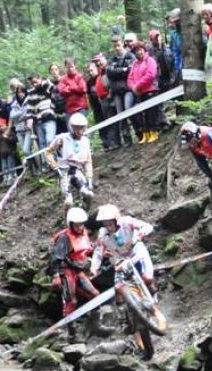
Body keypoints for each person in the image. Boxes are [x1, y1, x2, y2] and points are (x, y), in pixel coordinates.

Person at [51, 207, 100, 341]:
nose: (79, 228)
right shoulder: (64, 238)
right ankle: (72, 334)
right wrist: (56, 276)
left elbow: (86, 250)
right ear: (71, 224)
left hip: (78, 269)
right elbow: (56, 258)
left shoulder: (84, 233)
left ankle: (96, 325)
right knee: (70, 301)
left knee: (95, 295)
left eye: (81, 224)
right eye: (76, 225)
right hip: (66, 270)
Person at [90, 204, 158, 296]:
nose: (108, 228)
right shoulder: (103, 234)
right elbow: (98, 252)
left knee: (148, 279)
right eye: (105, 225)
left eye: (110, 224)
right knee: (120, 289)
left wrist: (136, 238)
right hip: (122, 261)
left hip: (137, 253)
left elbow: (148, 227)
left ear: (116, 220)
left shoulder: (127, 222)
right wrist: (94, 269)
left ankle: (153, 291)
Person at [45, 112, 94, 209]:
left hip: (77, 171)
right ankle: (67, 217)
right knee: (69, 202)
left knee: (88, 194)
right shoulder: (62, 138)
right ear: (71, 127)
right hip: (64, 171)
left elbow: (88, 161)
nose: (80, 131)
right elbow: (48, 151)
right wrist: (55, 166)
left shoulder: (85, 141)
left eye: (82, 128)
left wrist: (89, 177)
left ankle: (84, 210)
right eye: (77, 128)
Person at [106, 36, 137, 147]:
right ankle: (127, 138)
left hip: (128, 88)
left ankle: (138, 132)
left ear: (122, 43)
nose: (117, 48)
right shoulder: (112, 59)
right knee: (120, 115)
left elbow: (131, 70)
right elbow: (109, 72)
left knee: (129, 110)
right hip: (116, 91)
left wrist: (118, 71)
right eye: (114, 46)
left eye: (118, 45)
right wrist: (123, 70)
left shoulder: (130, 56)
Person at [127, 41, 159, 144]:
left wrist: (138, 86)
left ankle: (154, 132)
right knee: (142, 114)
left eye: (140, 50)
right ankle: (146, 133)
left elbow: (150, 75)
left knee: (151, 112)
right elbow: (129, 78)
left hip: (150, 90)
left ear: (144, 50)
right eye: (136, 51)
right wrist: (133, 88)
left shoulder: (150, 60)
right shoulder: (134, 64)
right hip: (139, 93)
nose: (139, 52)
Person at [9, 85, 38, 172]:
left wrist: (19, 116)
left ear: (25, 92)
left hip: (28, 129)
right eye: (18, 92)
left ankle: (36, 168)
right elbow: (12, 116)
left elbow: (30, 113)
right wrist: (23, 113)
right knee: (26, 152)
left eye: (22, 92)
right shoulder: (14, 104)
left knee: (26, 150)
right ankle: (33, 170)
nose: (20, 94)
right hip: (18, 130)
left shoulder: (29, 100)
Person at [27, 73, 58, 150]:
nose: (34, 84)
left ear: (40, 79)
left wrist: (42, 83)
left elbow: (52, 86)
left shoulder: (46, 87)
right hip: (38, 121)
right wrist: (29, 118)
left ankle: (54, 157)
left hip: (49, 117)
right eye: (32, 83)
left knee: (50, 140)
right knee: (42, 144)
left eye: (35, 82)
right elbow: (30, 107)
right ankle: (46, 158)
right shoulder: (31, 92)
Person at [0, 118, 18, 184]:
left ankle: (12, 176)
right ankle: (5, 177)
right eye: (0, 126)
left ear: (6, 125)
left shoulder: (10, 133)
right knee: (4, 166)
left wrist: (7, 138)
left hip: (10, 152)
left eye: (2, 125)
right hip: (2, 155)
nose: (1, 127)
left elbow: (15, 140)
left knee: (10, 164)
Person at [168, 8, 184, 77]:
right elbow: (176, 53)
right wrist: (178, 69)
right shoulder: (174, 34)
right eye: (175, 22)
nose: (177, 23)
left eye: (178, 21)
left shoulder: (189, 30)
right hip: (181, 66)